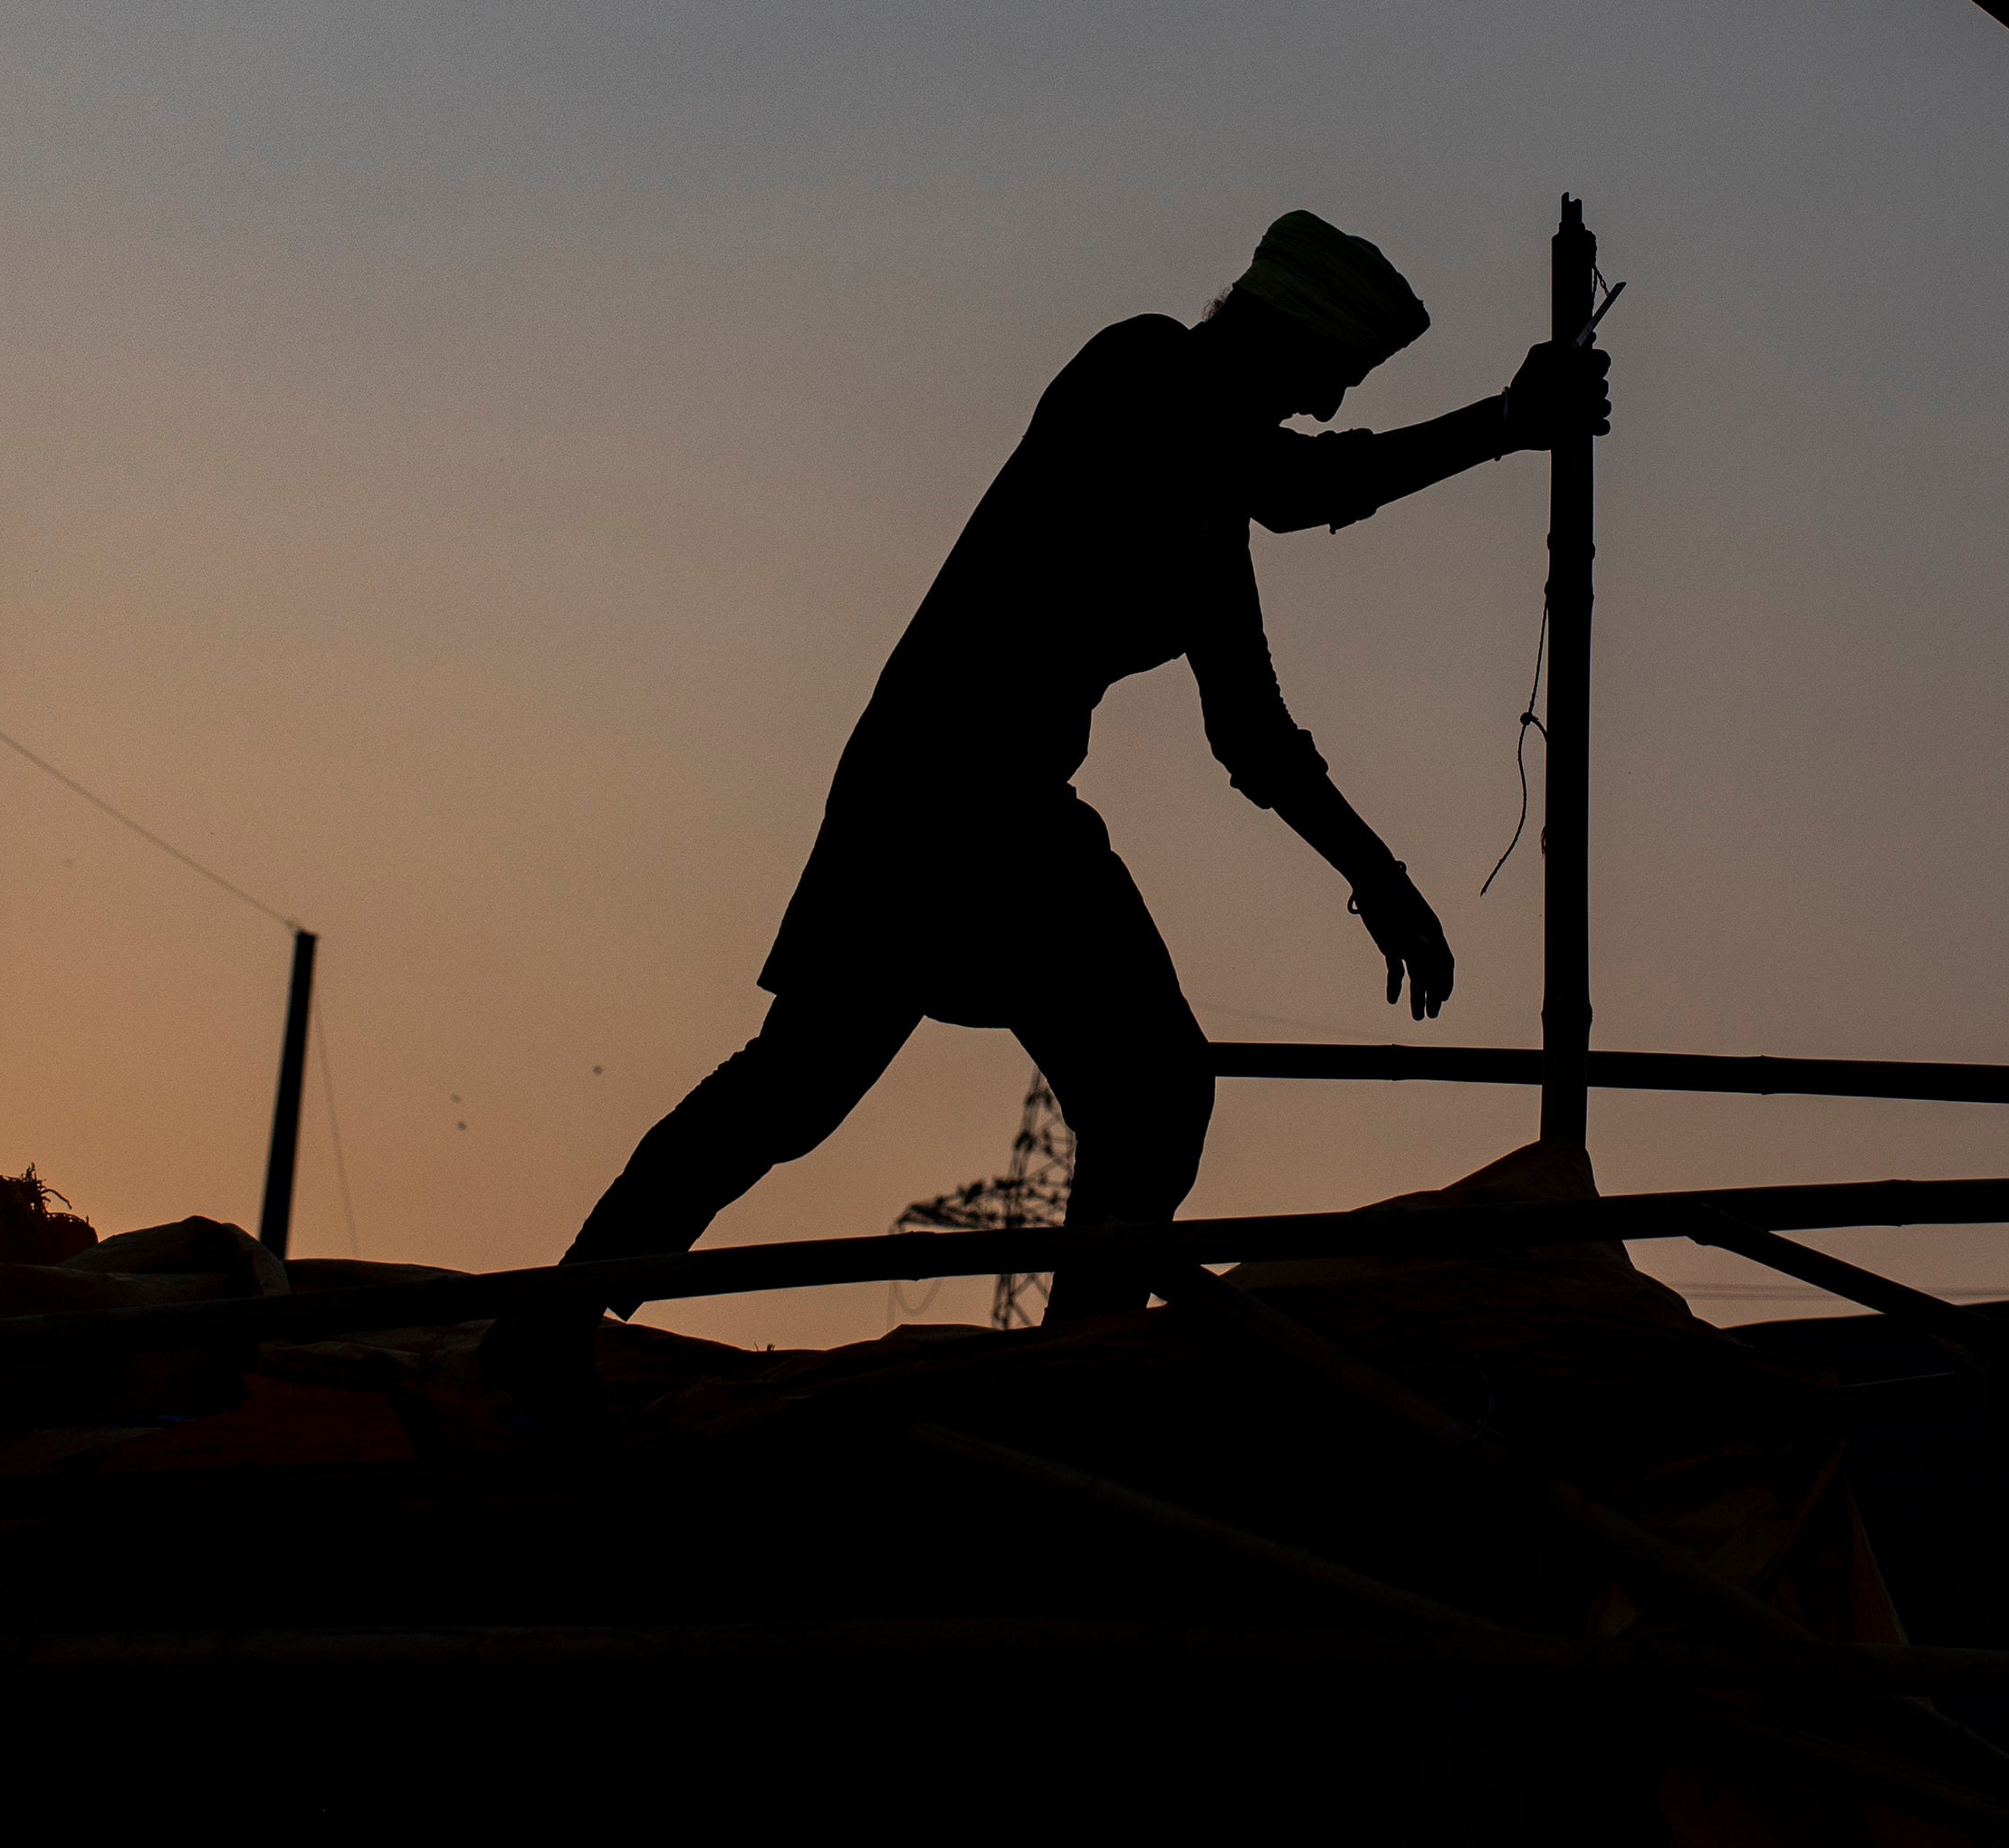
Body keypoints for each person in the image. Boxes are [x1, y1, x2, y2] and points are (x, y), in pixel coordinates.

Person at [505, 210, 1610, 1365]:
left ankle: (1070, 1359)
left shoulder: (1207, 524)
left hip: (1015, 810)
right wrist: (1499, 425)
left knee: (1146, 1094)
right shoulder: (1138, 370)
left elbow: (1254, 736)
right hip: (931, 787)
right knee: (800, 1090)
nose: (1324, 407)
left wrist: (1377, 879)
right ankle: (553, 1325)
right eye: (1325, 379)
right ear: (1275, 340)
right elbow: (1297, 484)